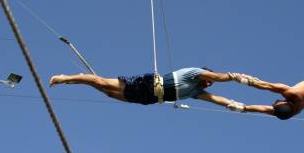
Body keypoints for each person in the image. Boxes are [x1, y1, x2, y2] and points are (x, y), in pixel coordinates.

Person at [50, 67, 246, 110]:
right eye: (208, 80)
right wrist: (234, 77)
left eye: (210, 84)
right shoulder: (192, 73)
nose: (209, 84)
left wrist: (234, 104)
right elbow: (219, 77)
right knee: (102, 83)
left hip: (146, 98)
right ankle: (65, 77)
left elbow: (217, 100)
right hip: (147, 84)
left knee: (109, 94)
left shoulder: (195, 92)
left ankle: (84, 79)